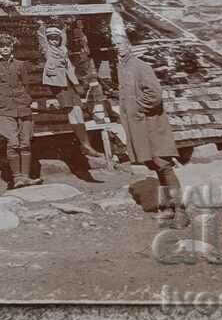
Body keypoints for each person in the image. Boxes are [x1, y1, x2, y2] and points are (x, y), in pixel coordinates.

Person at [113, 36, 189, 229]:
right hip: (140, 127)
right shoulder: (123, 67)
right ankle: (168, 209)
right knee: (156, 166)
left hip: (151, 125)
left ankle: (181, 211)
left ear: (128, 46)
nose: (117, 47)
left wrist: (138, 108)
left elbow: (154, 95)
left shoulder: (140, 66)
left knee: (164, 165)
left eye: (120, 44)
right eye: (114, 44)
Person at [38, 22, 105, 159]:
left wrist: (76, 84)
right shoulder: (47, 50)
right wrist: (42, 25)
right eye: (51, 38)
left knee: (78, 110)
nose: (53, 41)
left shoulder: (63, 50)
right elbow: (41, 38)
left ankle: (86, 145)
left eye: (56, 38)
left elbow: (69, 68)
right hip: (57, 83)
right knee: (72, 111)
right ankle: (85, 144)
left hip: (68, 83)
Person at [0, 33, 41, 188]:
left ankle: (26, 177)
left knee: (25, 142)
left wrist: (24, 99)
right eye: (2, 46)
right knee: (12, 142)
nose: (5, 48)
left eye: (7, 46)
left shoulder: (20, 64)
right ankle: (17, 178)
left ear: (12, 47)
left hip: (22, 106)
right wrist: (1, 100)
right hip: (5, 108)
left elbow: (26, 84)